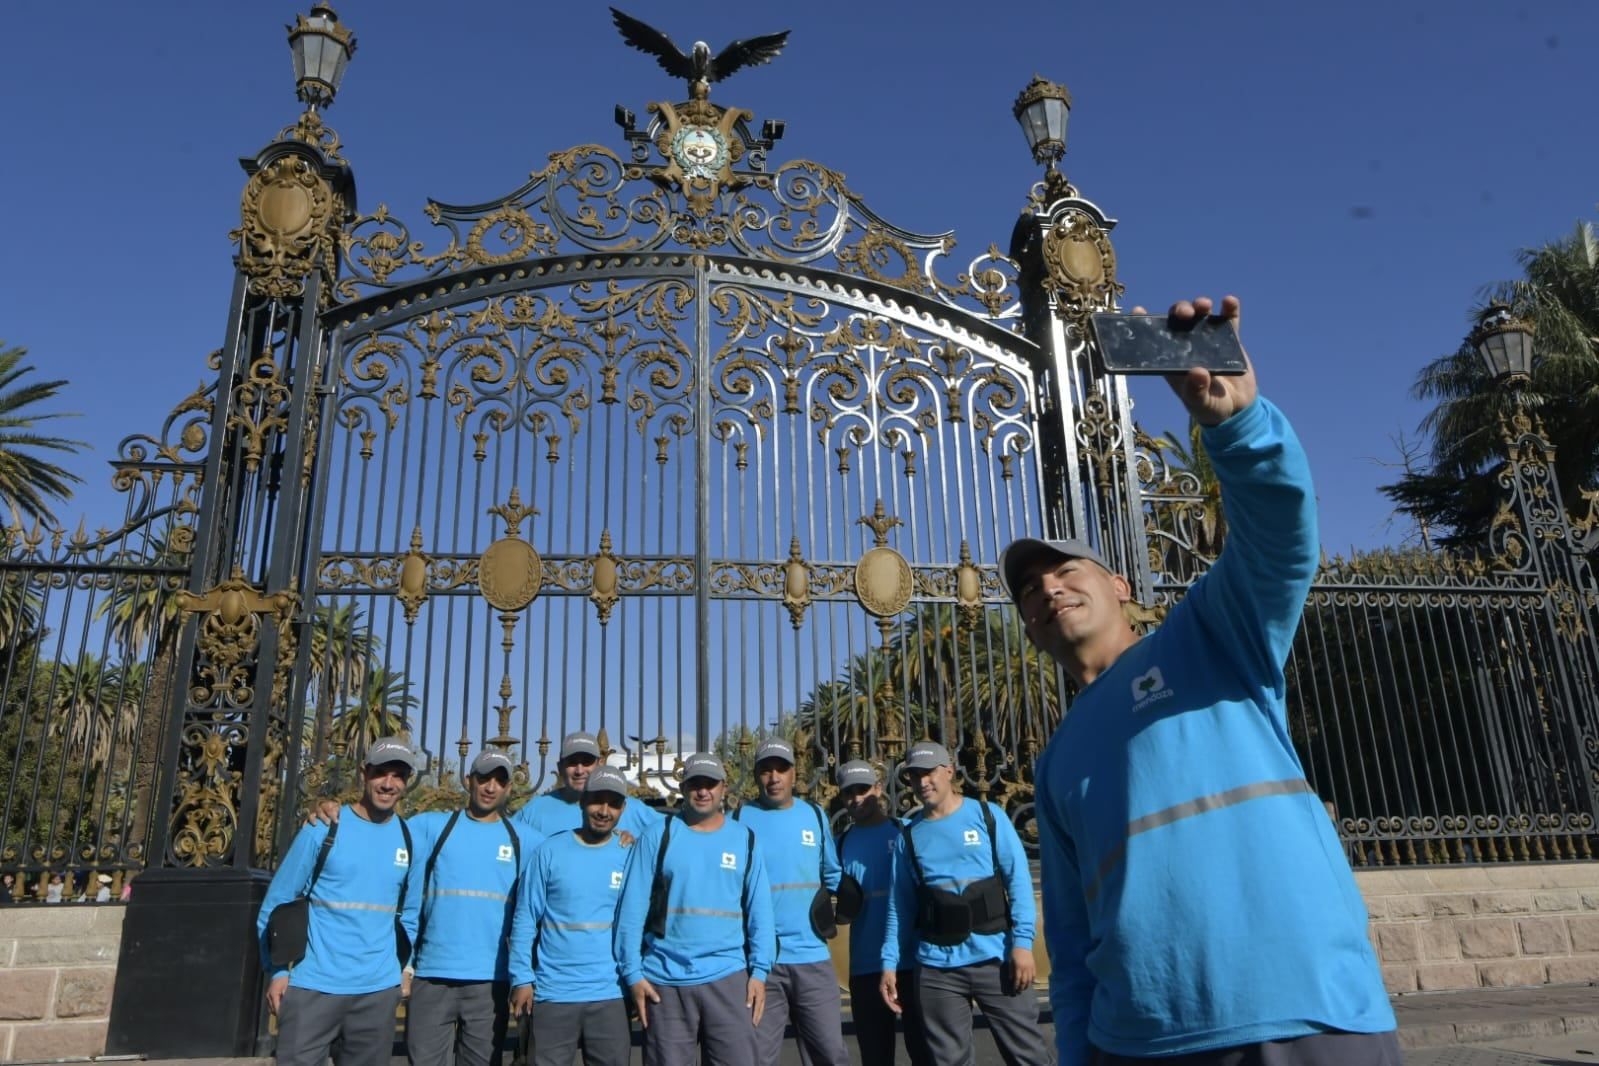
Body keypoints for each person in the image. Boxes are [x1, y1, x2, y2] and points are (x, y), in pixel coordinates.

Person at [1003, 295, 1399, 1065]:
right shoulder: (1054, 764)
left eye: (1064, 570)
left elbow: (1279, 539)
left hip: (1305, 1016)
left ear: (1120, 584)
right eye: (1028, 589)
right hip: (1139, 1044)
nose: (1047, 590)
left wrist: (1235, 425)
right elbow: (1075, 944)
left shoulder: (1211, 635)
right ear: (1025, 624)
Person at [881, 741, 1051, 1066]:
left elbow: (1017, 882)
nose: (922, 782)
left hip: (997, 961)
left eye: (929, 773)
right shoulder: (909, 836)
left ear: (949, 771)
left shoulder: (987, 817)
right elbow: (899, 907)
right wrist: (889, 963)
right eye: (914, 776)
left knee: (1029, 1056)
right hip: (936, 970)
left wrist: (1023, 945)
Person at [256, 736, 421, 1066]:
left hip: (377, 992)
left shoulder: (410, 838)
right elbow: (277, 903)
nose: (388, 784)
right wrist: (276, 971)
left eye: (398, 775)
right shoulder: (323, 828)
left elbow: (411, 913)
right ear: (364, 773)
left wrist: (405, 967)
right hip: (313, 987)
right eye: (380, 773)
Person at [613, 752, 775, 1066]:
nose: (703, 791)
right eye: (695, 784)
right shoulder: (657, 836)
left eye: (710, 784)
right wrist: (632, 973)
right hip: (665, 981)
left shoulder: (744, 839)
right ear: (683, 788)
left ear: (723, 788)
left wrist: (759, 972)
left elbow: (760, 911)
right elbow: (632, 909)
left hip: (729, 978)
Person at [403, 749, 534, 1066]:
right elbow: (375, 828)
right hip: (432, 976)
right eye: (483, 778)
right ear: (468, 781)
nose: (490, 787)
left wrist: (623, 837)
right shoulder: (432, 827)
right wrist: (330, 810)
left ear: (508, 789)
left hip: (490, 982)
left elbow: (575, 853)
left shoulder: (525, 840)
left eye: (499, 781)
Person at [732, 738, 849, 1066]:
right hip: (760, 963)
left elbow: (833, 873)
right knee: (756, 1056)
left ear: (794, 774)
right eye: (766, 771)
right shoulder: (739, 817)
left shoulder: (814, 815)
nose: (773, 778)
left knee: (829, 1053)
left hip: (812, 958)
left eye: (780, 770)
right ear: (757, 775)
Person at [509, 765, 635, 1066]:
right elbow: (526, 918)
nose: (604, 811)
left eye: (613, 803)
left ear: (623, 809)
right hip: (554, 994)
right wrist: (522, 978)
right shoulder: (549, 852)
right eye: (596, 800)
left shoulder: (630, 854)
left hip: (610, 994)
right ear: (582, 800)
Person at [833, 760, 932, 1065]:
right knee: (876, 1057)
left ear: (878, 789)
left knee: (927, 1053)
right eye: (849, 792)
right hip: (865, 968)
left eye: (863, 789)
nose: (856, 798)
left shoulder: (906, 832)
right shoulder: (840, 845)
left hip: (914, 962)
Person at [515, 731, 660, 844]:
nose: (579, 770)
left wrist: (639, 846)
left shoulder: (631, 809)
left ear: (600, 763)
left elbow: (673, 837)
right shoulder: (534, 810)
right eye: (572, 762)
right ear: (560, 767)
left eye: (587, 762)